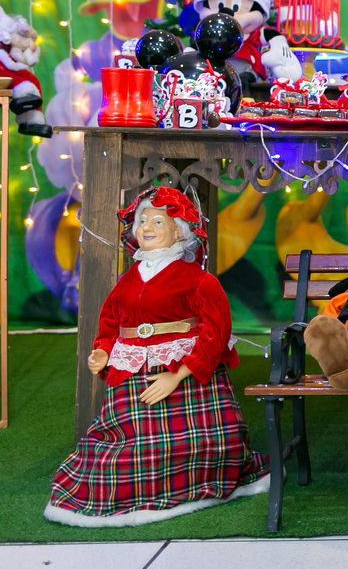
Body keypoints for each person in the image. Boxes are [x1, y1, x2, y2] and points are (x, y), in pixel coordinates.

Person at [44, 188, 268, 527]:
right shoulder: (128, 280)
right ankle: (121, 489)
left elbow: (215, 331)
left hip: (184, 374)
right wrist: (103, 350)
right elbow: (111, 318)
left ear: (179, 230)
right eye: (142, 220)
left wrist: (177, 375)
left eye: (158, 221)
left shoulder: (199, 280)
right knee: (118, 445)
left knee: (204, 438)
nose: (146, 226)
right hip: (134, 370)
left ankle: (201, 478)